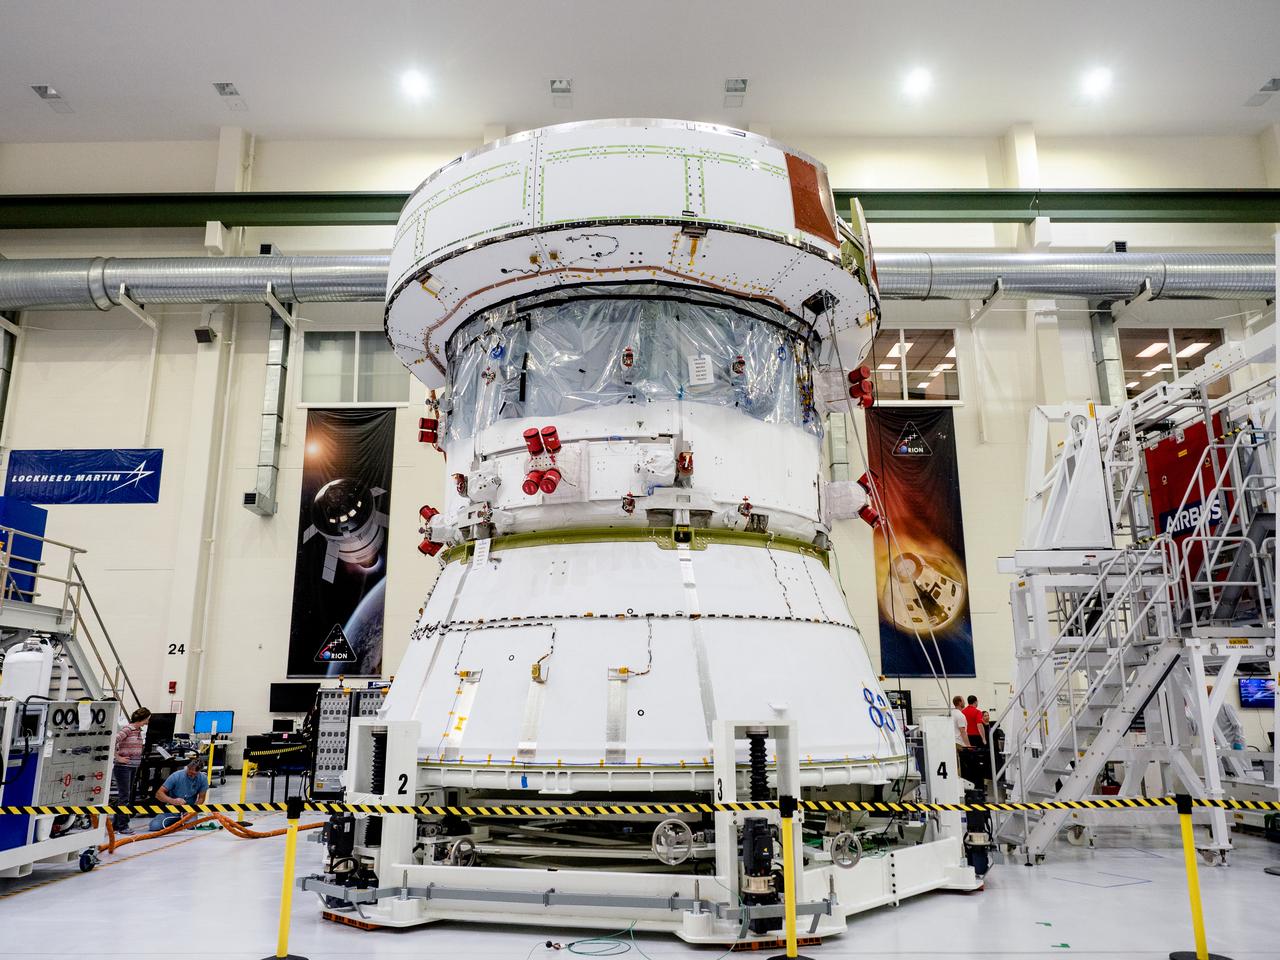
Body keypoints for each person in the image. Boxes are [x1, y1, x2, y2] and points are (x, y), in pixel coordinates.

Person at [111, 707, 151, 834]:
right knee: (124, 797)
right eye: (147, 719)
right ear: (142, 718)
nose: (147, 722)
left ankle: (116, 824)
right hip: (123, 767)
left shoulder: (138, 731)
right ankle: (123, 826)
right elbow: (112, 741)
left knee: (124, 796)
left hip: (132, 767)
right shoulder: (128, 729)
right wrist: (118, 757)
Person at [151, 755, 209, 830]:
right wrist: (173, 801)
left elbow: (201, 798)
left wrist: (193, 811)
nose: (191, 775)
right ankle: (176, 821)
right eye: (190, 772)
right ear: (187, 767)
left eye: (195, 774)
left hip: (189, 809)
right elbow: (158, 794)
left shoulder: (203, 779)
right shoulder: (176, 776)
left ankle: (178, 822)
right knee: (154, 826)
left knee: (190, 827)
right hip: (172, 808)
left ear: (199, 772)